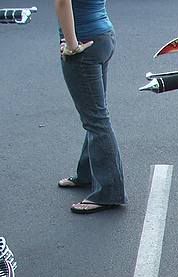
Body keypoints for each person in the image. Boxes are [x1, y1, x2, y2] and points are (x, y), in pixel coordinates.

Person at [54, 0, 126, 214]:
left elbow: (62, 2)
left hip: (84, 45)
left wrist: (72, 45)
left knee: (96, 120)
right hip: (103, 36)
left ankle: (109, 193)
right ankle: (87, 174)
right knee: (95, 113)